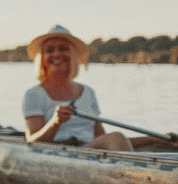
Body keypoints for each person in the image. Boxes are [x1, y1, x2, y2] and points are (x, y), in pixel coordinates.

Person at [22, 25, 157, 150]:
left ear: (73, 54)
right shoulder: (34, 94)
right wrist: (55, 122)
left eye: (63, 49)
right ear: (42, 57)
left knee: (119, 138)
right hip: (57, 153)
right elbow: (32, 142)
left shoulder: (88, 92)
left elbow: (104, 139)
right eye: (49, 50)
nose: (56, 54)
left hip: (89, 150)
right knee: (117, 137)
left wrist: (153, 139)